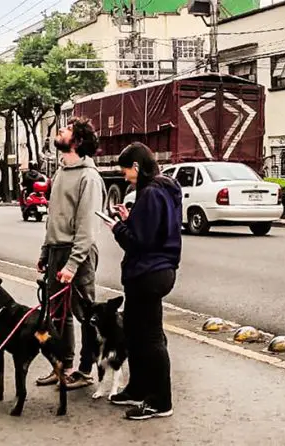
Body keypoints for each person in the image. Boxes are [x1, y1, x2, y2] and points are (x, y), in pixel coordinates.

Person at [103, 142, 182, 420]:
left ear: (136, 167)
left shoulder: (148, 194)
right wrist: (130, 218)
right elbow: (152, 229)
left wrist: (117, 227)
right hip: (156, 271)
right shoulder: (164, 191)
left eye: (126, 171)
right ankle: (137, 389)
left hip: (148, 273)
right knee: (135, 334)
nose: (125, 177)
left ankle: (160, 401)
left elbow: (139, 242)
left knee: (149, 338)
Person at [36, 117, 105, 389]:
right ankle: (63, 366)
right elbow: (53, 217)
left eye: (65, 129)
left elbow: (87, 226)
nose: (59, 131)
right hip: (56, 251)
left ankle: (86, 371)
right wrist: (45, 251)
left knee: (85, 315)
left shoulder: (89, 177)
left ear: (76, 141)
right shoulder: (61, 172)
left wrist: (73, 264)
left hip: (79, 254)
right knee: (57, 314)